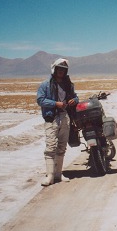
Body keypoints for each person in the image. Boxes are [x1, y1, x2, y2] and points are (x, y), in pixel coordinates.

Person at [36, 58, 79, 186]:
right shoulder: (45, 84)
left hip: (65, 117)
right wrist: (55, 104)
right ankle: (50, 176)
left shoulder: (68, 85)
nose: (61, 72)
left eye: (63, 70)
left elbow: (75, 96)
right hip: (52, 118)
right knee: (50, 147)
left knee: (61, 147)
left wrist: (74, 100)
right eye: (59, 69)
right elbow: (40, 100)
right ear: (54, 69)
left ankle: (58, 174)